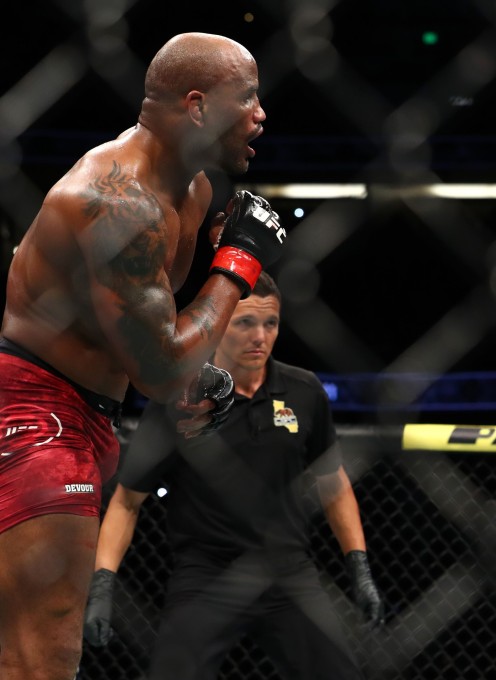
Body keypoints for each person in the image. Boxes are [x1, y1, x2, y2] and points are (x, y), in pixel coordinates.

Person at [0, 32, 286, 679]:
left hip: (89, 413)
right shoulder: (117, 202)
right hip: (35, 416)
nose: (261, 114)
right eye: (247, 98)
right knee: (42, 660)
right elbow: (160, 373)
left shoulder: (192, 191)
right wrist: (238, 262)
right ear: (197, 106)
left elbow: (145, 340)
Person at [82, 272, 383, 680]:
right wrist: (102, 586)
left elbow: (334, 485)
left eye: (270, 323)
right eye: (245, 322)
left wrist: (359, 568)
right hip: (206, 575)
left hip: (287, 571)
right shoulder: (180, 397)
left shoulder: (303, 391)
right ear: (221, 324)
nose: (260, 335)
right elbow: (127, 501)